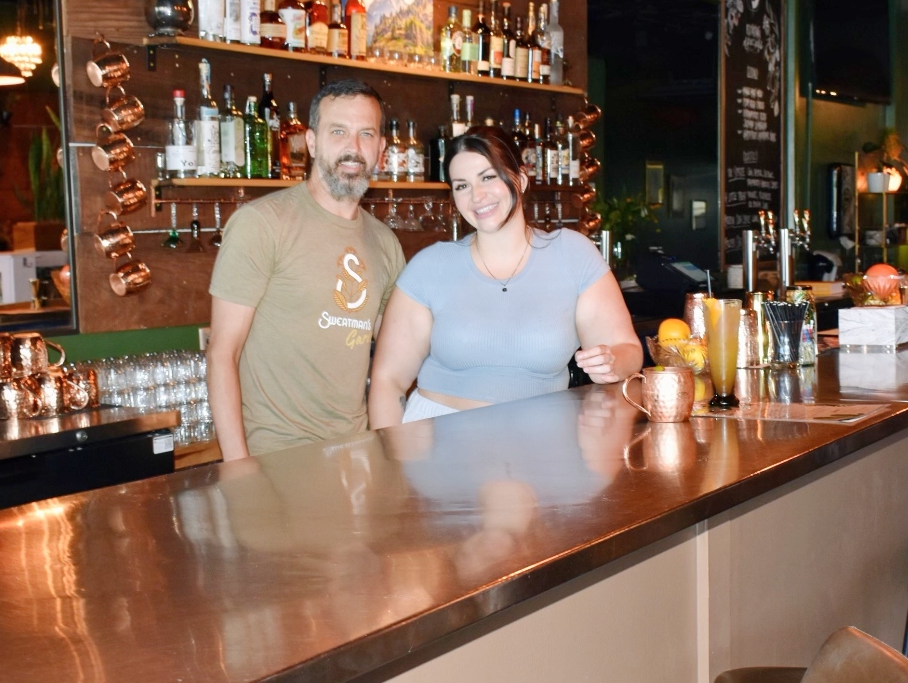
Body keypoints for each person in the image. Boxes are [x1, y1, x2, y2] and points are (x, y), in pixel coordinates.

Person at [368, 125, 641, 428]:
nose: (477, 196)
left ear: (520, 179)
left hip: (539, 439)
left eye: (488, 177)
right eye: (462, 186)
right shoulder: (431, 266)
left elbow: (628, 349)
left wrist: (612, 362)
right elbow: (388, 380)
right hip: (438, 439)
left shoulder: (572, 254)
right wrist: (389, 463)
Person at [208, 79, 405, 459]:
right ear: (312, 143)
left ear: (381, 148)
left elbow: (397, 354)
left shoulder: (385, 244)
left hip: (355, 455)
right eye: (338, 132)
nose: (354, 147)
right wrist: (238, 467)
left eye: (366, 134)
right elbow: (222, 354)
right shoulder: (262, 224)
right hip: (277, 458)